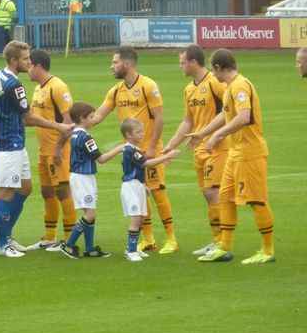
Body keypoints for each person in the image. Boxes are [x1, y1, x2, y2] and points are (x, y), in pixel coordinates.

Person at [186, 49, 276, 264]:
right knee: (225, 198)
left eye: (212, 68)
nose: (212, 73)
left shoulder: (240, 86)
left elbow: (244, 117)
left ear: (218, 67)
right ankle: (223, 247)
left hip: (250, 153)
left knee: (257, 201)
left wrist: (217, 135)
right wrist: (204, 132)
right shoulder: (229, 88)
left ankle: (267, 250)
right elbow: (225, 115)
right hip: (236, 154)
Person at [0, 41, 74, 258]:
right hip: (9, 144)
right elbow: (28, 117)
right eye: (25, 59)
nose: (29, 62)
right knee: (6, 192)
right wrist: (58, 125)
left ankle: (6, 236)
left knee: (25, 188)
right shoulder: (14, 85)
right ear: (13, 60)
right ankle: (2, 243)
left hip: (13, 141)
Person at [92, 46, 177, 254]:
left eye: (115, 62)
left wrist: (150, 147)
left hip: (149, 149)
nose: (112, 66)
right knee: (141, 194)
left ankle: (171, 239)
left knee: (157, 192)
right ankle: (148, 238)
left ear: (127, 64)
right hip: (131, 153)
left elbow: (159, 118)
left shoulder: (148, 85)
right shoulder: (116, 91)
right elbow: (97, 116)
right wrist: (74, 125)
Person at [162, 45, 229, 256]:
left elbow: (230, 109)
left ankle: (222, 243)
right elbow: (188, 121)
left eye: (182, 62)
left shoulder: (214, 83)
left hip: (217, 146)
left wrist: (213, 134)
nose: (180, 66)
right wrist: (170, 145)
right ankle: (216, 240)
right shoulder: (189, 89)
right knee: (207, 195)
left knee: (213, 193)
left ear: (193, 62)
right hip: (200, 148)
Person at [54, 102, 124, 259]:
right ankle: (68, 244)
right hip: (83, 177)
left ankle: (90, 248)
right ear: (82, 118)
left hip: (80, 176)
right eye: (91, 117)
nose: (94, 119)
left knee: (90, 212)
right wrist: (119, 148)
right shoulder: (86, 138)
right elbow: (102, 159)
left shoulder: (74, 134)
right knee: (90, 214)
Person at [25, 49, 77, 250]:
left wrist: (58, 148)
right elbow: (34, 120)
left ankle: (68, 239)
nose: (27, 69)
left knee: (63, 192)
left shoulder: (58, 86)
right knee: (47, 193)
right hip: (43, 151)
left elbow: (69, 121)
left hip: (58, 151)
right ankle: (49, 237)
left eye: (29, 65)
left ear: (38, 66)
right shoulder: (38, 89)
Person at [120, 119, 181, 261]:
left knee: (141, 217)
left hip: (138, 185)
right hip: (131, 187)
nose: (142, 134)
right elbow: (146, 163)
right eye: (138, 132)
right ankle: (130, 250)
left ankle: (134, 248)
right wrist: (166, 156)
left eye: (142, 131)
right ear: (128, 135)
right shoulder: (130, 150)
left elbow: (139, 168)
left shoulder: (134, 149)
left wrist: (144, 185)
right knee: (136, 218)